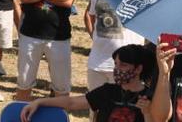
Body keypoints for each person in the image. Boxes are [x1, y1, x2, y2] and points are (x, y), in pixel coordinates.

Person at [21, 44, 156, 122]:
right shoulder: (108, 91)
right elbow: (72, 103)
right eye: (116, 64)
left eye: (123, 65)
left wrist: (148, 113)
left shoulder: (149, 97)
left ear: (138, 69)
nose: (117, 69)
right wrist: (39, 102)